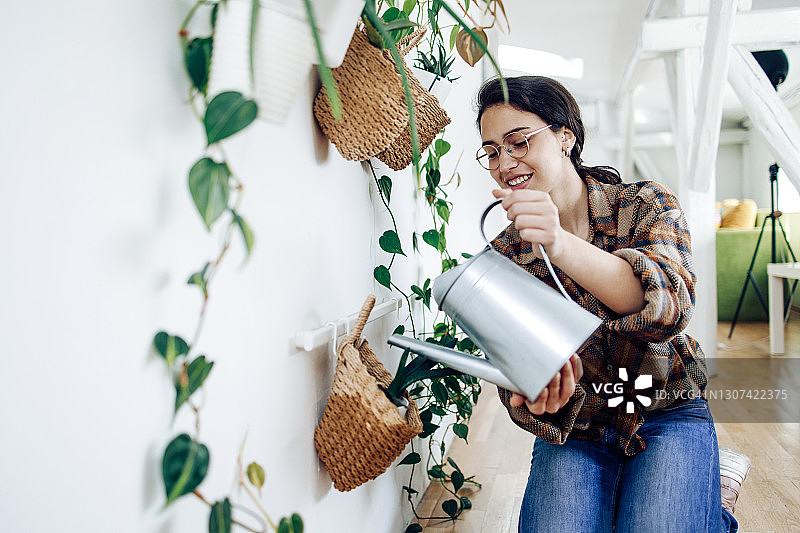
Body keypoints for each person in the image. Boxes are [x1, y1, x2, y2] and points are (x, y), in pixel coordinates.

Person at [474, 75, 749, 532]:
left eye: (518, 142)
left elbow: (669, 308)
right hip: (578, 426)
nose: (505, 163)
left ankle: (712, 500)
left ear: (566, 137)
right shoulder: (506, 255)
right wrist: (533, 395)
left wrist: (559, 243)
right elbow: (516, 370)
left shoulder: (645, 203)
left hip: (666, 407)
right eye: (492, 150)